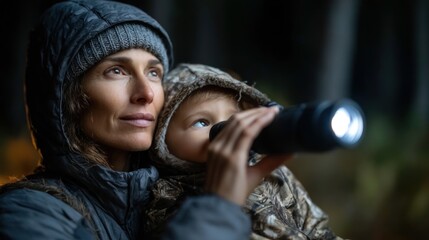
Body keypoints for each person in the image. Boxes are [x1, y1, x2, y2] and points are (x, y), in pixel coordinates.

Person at [0, 0, 290, 239]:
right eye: (117, 71)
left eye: (154, 73)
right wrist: (218, 207)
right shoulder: (27, 212)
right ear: (66, 96)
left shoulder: (179, 191)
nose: (146, 93)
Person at [144, 63, 344, 240]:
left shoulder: (271, 172)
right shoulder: (168, 200)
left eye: (234, 119)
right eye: (202, 122)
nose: (228, 130)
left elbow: (318, 227)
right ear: (163, 142)